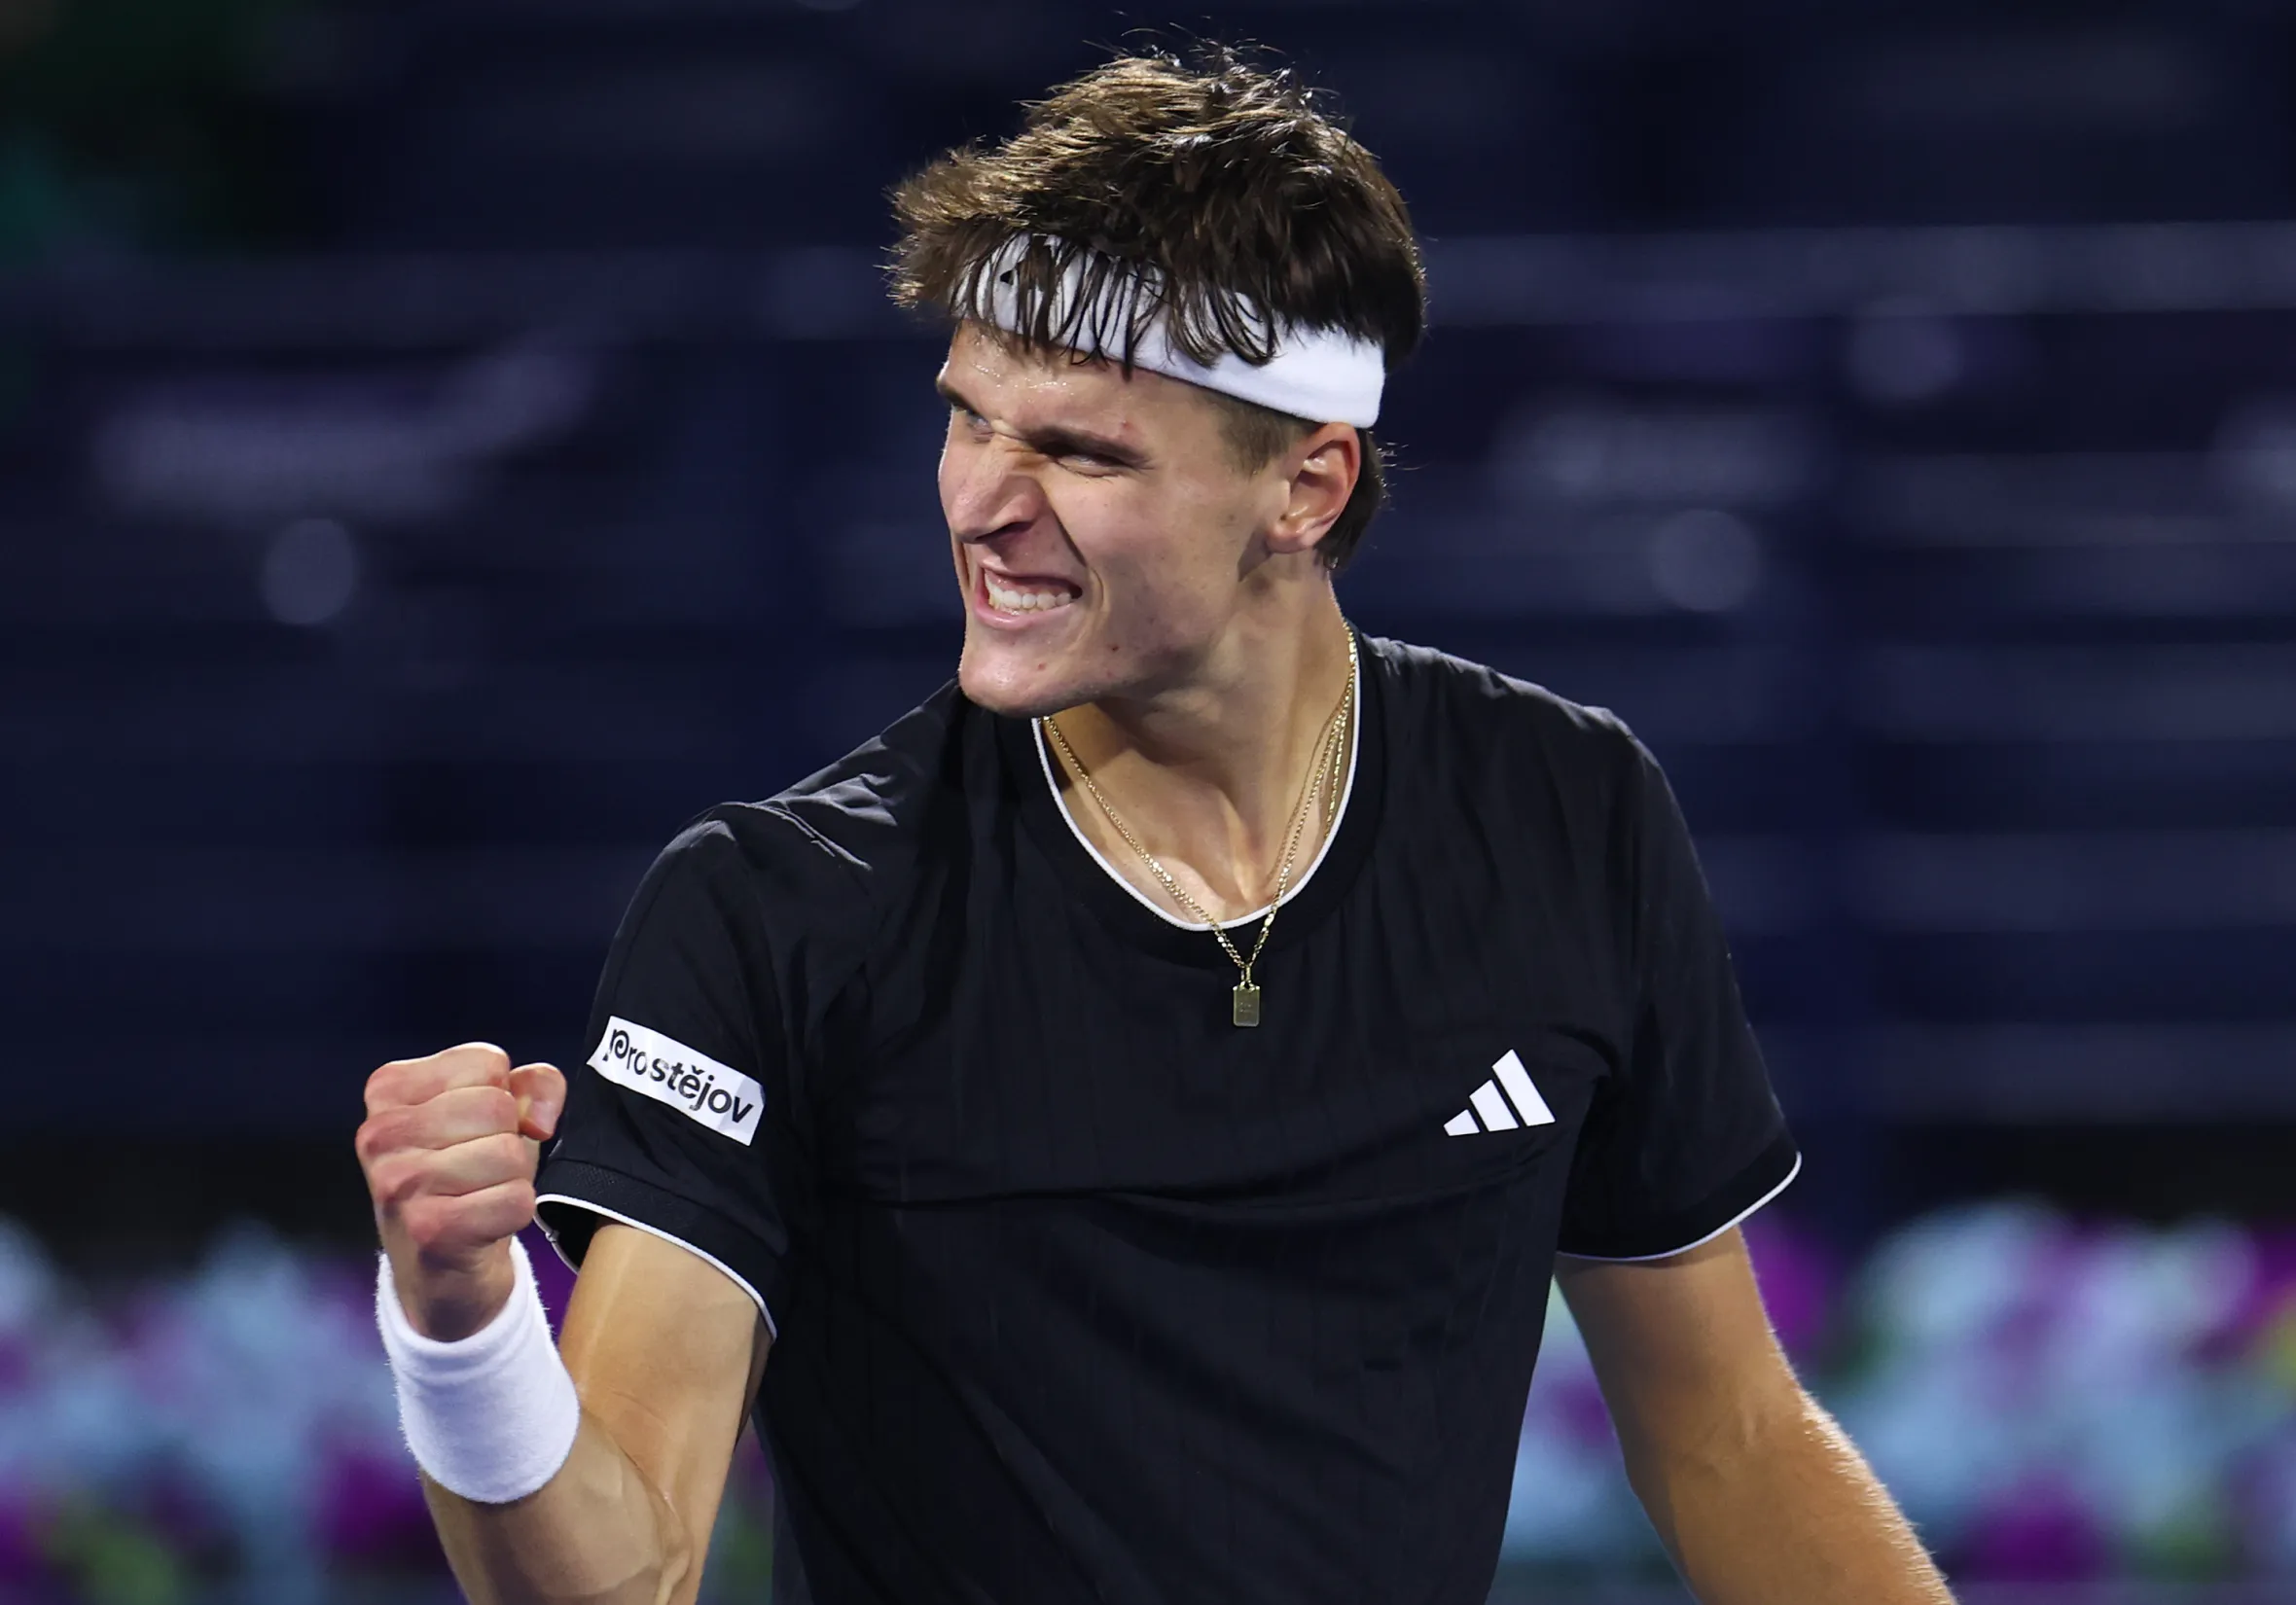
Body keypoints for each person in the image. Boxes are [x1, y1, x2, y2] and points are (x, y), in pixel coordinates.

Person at [355, 48, 1955, 1605]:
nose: (984, 499)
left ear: (1306, 489)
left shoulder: (1566, 809)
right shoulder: (775, 912)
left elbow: (1730, 1436)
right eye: (970, 416)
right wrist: (463, 1326)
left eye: (1078, 449)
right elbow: (622, 1576)